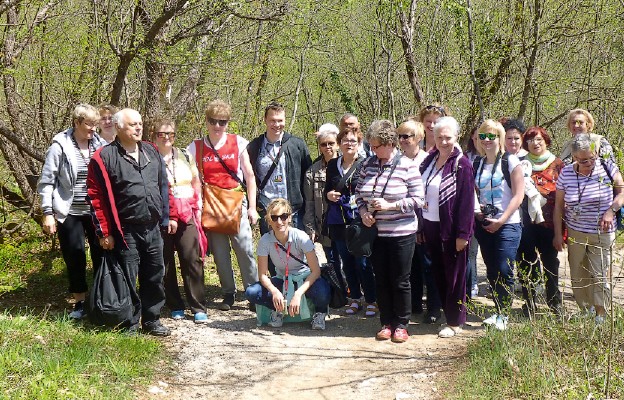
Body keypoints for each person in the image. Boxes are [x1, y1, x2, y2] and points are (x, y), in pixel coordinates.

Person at [87, 108, 177, 336]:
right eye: (132, 125)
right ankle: (130, 323)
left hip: (152, 226)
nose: (138, 128)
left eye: (139, 124)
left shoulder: (150, 150)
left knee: (155, 273)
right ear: (119, 128)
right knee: (127, 275)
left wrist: (167, 216)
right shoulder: (103, 157)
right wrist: (103, 232)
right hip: (125, 229)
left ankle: (152, 319)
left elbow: (163, 186)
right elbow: (95, 197)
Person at [356, 120, 424, 343]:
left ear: (389, 143)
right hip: (376, 234)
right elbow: (358, 194)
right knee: (381, 279)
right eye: (371, 147)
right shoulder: (367, 164)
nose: (373, 150)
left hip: (401, 233)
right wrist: (364, 212)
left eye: (376, 146)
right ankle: (386, 322)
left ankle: (401, 324)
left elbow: (418, 200)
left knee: (400, 279)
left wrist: (390, 206)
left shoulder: (407, 165)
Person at [187, 100, 259, 311]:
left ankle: (253, 292)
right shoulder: (196, 147)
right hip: (212, 205)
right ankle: (228, 292)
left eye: (222, 122)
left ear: (228, 123)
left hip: (236, 201)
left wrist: (252, 208)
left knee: (244, 249)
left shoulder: (238, 143)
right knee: (219, 253)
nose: (217, 126)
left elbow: (250, 176)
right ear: (206, 121)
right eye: (213, 121)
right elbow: (193, 180)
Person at [38, 103, 107, 319]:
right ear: (77, 122)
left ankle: (100, 300)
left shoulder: (101, 145)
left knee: (102, 254)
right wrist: (48, 212)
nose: (93, 129)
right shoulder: (59, 146)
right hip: (69, 211)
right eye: (89, 124)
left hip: (96, 211)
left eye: (95, 125)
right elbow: (47, 182)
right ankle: (79, 302)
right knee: (75, 255)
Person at [553, 134, 623, 324]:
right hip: (576, 231)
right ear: (574, 157)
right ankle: (586, 309)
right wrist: (558, 234)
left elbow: (622, 192)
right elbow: (558, 206)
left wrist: (611, 210)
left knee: (600, 271)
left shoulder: (607, 167)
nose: (589, 163)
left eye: (592, 158)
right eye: (583, 160)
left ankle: (601, 313)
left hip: (602, 231)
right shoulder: (566, 173)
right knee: (578, 271)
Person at [419, 116, 475, 338]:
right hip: (430, 225)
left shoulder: (462, 164)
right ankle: (447, 313)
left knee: (455, 276)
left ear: (456, 137)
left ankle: (455, 321)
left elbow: (466, 203)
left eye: (448, 137)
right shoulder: (430, 160)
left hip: (452, 229)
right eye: (439, 137)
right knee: (439, 274)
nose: (443, 141)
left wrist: (463, 234)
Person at [151, 118, 208, 323]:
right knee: (165, 261)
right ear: (154, 135)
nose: (167, 138)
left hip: (187, 212)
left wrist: (199, 207)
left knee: (192, 258)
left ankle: (198, 305)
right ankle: (175, 304)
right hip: (162, 215)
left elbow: (196, 181)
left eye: (171, 134)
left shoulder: (185, 154)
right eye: (162, 134)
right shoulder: (150, 157)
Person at [247, 101, 312, 275]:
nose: (277, 124)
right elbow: (249, 177)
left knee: (297, 252)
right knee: (272, 253)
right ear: (265, 120)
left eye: (280, 120)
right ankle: (276, 289)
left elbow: (308, 175)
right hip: (268, 210)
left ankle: (299, 292)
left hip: (293, 209)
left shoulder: (297, 144)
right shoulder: (254, 147)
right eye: (273, 120)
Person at [245, 198, 330, 330]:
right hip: (282, 279)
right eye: (274, 218)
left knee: (323, 291)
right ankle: (278, 309)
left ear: (290, 218)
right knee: (251, 292)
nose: (279, 222)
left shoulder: (301, 237)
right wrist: (274, 292)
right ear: (269, 220)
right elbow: (262, 275)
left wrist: (298, 293)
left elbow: (316, 271)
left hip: (304, 277)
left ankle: (319, 313)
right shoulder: (265, 241)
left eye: (283, 217)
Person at [473, 119, 524, 331]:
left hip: (508, 224)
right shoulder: (477, 163)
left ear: (499, 138)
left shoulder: (510, 161)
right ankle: (497, 311)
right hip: (484, 223)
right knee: (492, 270)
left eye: (491, 136)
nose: (487, 140)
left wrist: (502, 220)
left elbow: (519, 195)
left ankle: (504, 314)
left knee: (504, 269)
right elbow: (473, 193)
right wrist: (477, 211)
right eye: (482, 136)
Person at [325, 127, 377, 317]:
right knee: (346, 263)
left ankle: (371, 299)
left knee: (363, 263)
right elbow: (327, 191)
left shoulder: (366, 164)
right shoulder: (332, 165)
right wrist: (329, 195)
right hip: (338, 221)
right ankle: (355, 298)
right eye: (345, 141)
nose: (349, 144)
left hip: (359, 221)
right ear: (339, 144)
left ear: (359, 144)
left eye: (353, 141)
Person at [515, 127, 564, 318]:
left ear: (546, 141)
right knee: (527, 262)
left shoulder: (558, 164)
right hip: (525, 222)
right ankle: (529, 302)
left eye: (539, 140)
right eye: (531, 140)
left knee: (550, 262)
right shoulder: (520, 164)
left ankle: (554, 302)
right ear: (525, 144)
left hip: (550, 222)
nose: (535, 143)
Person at [398, 119, 442, 321]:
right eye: (400, 136)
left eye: (407, 136)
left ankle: (433, 308)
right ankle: (413, 305)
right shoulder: (396, 161)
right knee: (409, 267)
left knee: (429, 267)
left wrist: (422, 227)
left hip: (426, 222)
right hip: (403, 223)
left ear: (418, 138)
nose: (402, 140)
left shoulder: (429, 161)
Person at [304, 129, 340, 266]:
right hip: (324, 229)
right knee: (331, 264)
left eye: (331, 143)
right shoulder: (312, 172)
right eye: (323, 144)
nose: (328, 147)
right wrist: (310, 228)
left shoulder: (347, 167)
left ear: (338, 144)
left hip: (344, 228)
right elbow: (309, 203)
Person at [464, 126, 480, 299]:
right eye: (476, 138)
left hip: (491, 213)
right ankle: (472, 283)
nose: (480, 141)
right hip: (471, 211)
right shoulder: (466, 158)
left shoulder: (495, 158)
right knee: (471, 252)